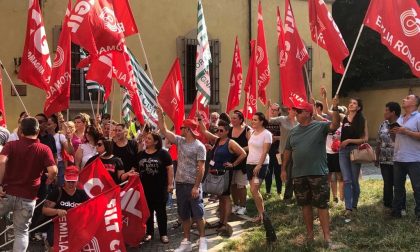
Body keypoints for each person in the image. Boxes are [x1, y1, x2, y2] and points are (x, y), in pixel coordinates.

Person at [281, 97, 340, 247]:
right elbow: (287, 151)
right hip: (298, 174)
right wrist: (283, 169)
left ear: (307, 113)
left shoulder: (320, 126)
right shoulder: (293, 131)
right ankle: (310, 236)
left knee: (322, 205)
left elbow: (335, 125)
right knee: (305, 205)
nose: (296, 114)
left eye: (299, 111)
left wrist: (335, 108)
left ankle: (327, 238)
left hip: (317, 173)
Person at [0, 117, 58, 251]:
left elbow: (2, 161)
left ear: (20, 131)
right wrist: (51, 178)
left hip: (6, 194)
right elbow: (53, 170)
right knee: (21, 232)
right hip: (28, 196)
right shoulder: (44, 149)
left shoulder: (11, 145)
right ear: (38, 131)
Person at [156, 106, 208, 252]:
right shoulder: (180, 141)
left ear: (189, 129)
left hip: (193, 185)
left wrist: (196, 187)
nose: (180, 129)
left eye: (182, 127)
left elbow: (201, 168)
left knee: (198, 214)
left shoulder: (200, 147)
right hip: (180, 184)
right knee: (184, 214)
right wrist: (160, 115)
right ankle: (186, 242)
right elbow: (164, 131)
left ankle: (203, 240)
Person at [197, 118, 246, 235]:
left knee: (225, 197)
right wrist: (199, 119)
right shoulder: (217, 140)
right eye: (218, 130)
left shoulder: (231, 142)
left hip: (225, 174)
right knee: (220, 197)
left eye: (221, 130)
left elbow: (243, 154)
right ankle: (221, 221)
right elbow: (204, 131)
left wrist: (233, 164)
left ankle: (225, 223)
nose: (218, 132)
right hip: (215, 172)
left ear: (226, 132)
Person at [137, 132, 174, 244]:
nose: (146, 140)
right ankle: (149, 233)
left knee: (161, 212)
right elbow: (137, 169)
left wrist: (170, 184)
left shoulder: (163, 153)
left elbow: (170, 168)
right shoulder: (141, 154)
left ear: (156, 141)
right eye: (146, 138)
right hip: (145, 188)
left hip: (160, 188)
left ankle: (163, 234)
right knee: (148, 211)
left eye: (149, 138)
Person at [42, 166, 88, 251]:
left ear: (77, 180)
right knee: (54, 248)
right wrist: (57, 211)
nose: (71, 184)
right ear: (64, 179)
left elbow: (90, 210)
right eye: (68, 181)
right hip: (58, 226)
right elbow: (44, 210)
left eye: (73, 181)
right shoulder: (57, 192)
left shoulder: (82, 194)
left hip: (75, 227)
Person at [390, 94, 420, 221]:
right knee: (397, 188)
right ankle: (397, 212)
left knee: (417, 188)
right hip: (398, 158)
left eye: (407, 98)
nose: (403, 99)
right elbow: (396, 138)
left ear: (415, 103)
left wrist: (405, 131)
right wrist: (393, 133)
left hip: (414, 159)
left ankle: (419, 214)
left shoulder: (419, 117)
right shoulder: (400, 118)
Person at [339, 98, 368, 220]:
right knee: (347, 180)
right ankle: (348, 208)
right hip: (343, 152)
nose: (351, 104)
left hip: (356, 151)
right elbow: (328, 113)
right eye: (350, 103)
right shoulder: (343, 117)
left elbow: (365, 138)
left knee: (354, 181)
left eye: (354, 103)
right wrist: (325, 99)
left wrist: (349, 140)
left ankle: (354, 205)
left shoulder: (362, 120)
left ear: (359, 107)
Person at [376, 102, 406, 215]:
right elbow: (379, 141)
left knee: (398, 184)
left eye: (386, 110)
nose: (384, 112)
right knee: (387, 183)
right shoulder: (383, 124)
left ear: (393, 112)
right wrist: (376, 156)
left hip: (398, 159)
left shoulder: (402, 123)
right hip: (384, 159)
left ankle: (401, 207)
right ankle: (387, 205)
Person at [268, 102, 298, 202]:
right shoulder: (282, 119)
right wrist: (270, 108)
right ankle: (287, 196)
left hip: (297, 151)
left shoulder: (299, 122)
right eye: (292, 109)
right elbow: (270, 120)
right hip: (284, 151)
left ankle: (297, 195)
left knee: (296, 174)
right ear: (289, 110)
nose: (294, 111)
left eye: (296, 110)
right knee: (287, 174)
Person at [247, 112, 272, 223]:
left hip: (260, 165)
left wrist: (259, 165)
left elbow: (265, 151)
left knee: (254, 189)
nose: (253, 121)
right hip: (249, 164)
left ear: (262, 121)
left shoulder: (267, 134)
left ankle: (263, 216)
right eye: (252, 119)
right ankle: (261, 215)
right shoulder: (252, 132)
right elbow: (250, 147)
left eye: (255, 120)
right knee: (254, 192)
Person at [228, 110, 250, 215]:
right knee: (232, 185)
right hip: (230, 161)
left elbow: (251, 146)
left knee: (241, 185)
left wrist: (239, 149)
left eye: (235, 118)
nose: (232, 120)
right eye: (231, 118)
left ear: (241, 120)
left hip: (242, 161)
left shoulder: (247, 130)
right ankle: (236, 204)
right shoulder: (229, 130)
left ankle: (243, 206)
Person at [265, 103, 282, 197]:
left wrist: (276, 138)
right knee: (268, 172)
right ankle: (268, 192)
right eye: (271, 110)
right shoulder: (267, 122)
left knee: (278, 172)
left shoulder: (281, 121)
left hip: (278, 152)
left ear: (278, 111)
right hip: (268, 152)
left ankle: (279, 192)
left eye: (274, 110)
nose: (272, 111)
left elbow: (286, 136)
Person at [47, 115, 69, 186]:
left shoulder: (60, 136)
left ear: (55, 125)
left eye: (49, 124)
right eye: (46, 124)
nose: (47, 126)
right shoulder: (41, 137)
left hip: (59, 165)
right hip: (46, 165)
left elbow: (70, 151)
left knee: (59, 187)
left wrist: (69, 140)